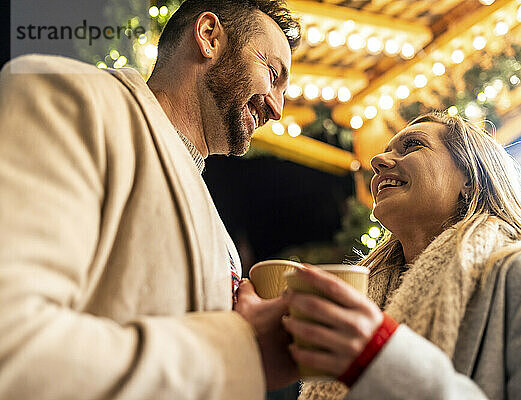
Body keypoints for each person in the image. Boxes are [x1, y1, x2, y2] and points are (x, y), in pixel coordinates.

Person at [0, 1, 300, 398]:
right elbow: (13, 343)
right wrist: (239, 352)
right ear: (209, 36)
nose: (278, 109)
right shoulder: (74, 98)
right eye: (273, 74)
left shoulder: (213, 219)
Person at [276, 112, 521, 399]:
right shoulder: (371, 295)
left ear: (471, 180)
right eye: (385, 150)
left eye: (413, 145)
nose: (378, 161)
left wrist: (382, 358)